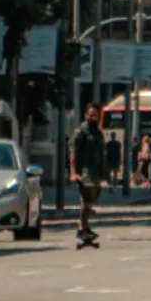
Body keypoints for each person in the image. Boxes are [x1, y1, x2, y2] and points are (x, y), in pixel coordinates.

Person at [68, 105, 106, 249]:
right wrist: (73, 172)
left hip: (96, 172)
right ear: (86, 115)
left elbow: (102, 153)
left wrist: (104, 172)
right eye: (91, 115)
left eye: (95, 115)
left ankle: (85, 226)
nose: (93, 118)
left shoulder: (98, 133)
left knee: (92, 199)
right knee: (86, 198)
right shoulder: (80, 132)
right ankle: (81, 227)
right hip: (84, 171)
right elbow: (72, 153)